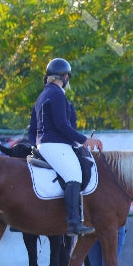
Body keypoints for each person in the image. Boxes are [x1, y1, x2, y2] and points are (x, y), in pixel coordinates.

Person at [28, 57, 103, 237]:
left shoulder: (43, 95)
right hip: (54, 144)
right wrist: (84, 140)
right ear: (64, 76)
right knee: (74, 175)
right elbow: (62, 125)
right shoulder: (57, 94)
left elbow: (32, 129)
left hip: (45, 143)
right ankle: (73, 224)